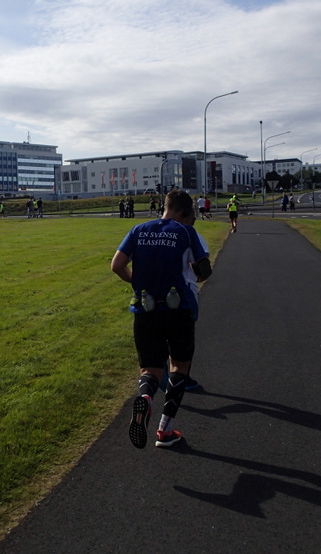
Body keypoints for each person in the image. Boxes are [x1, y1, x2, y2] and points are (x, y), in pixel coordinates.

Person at [111, 189, 212, 449]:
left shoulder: (138, 229)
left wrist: (138, 282)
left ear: (165, 205)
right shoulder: (186, 232)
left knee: (151, 370)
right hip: (177, 310)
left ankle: (145, 397)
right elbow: (204, 271)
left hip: (145, 310)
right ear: (184, 211)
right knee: (179, 367)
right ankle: (164, 431)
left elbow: (117, 265)